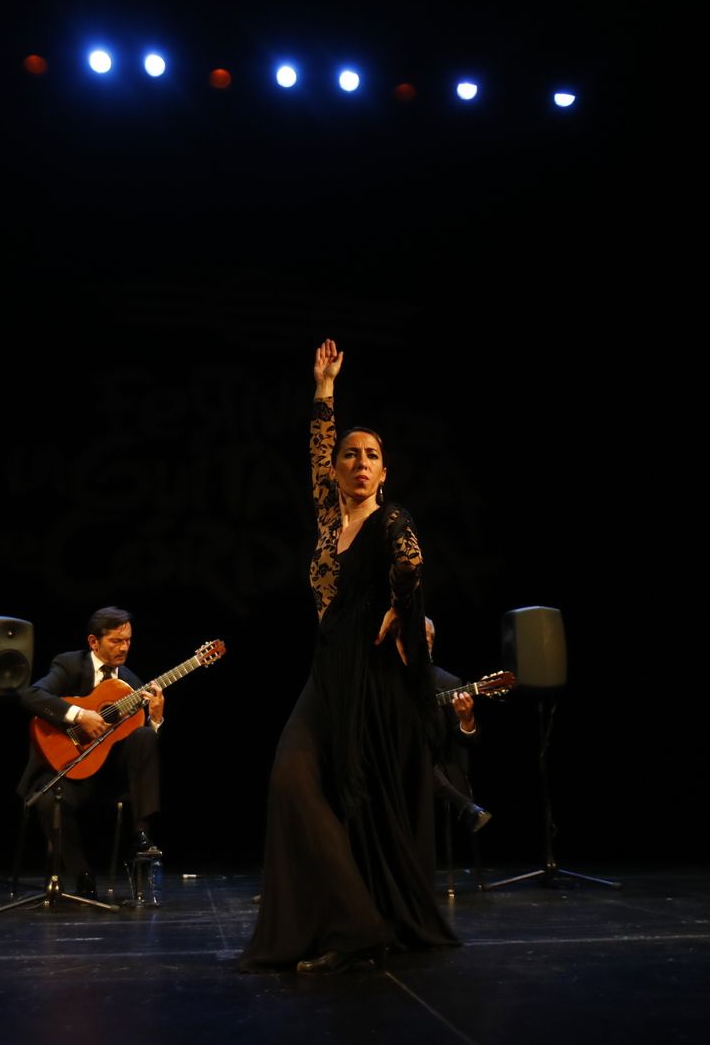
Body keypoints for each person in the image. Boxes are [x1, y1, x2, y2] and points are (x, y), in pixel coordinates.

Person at [240, 339, 458, 973]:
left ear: (384, 473)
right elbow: (316, 444)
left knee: (352, 796)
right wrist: (324, 387)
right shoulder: (328, 520)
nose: (360, 463)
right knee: (291, 779)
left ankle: (359, 927)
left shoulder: (391, 519)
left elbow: (412, 562)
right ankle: (356, 922)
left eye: (372, 456)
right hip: (327, 669)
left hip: (371, 675)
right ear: (334, 470)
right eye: (350, 455)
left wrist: (401, 607)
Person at [16, 606, 165, 898]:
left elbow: (142, 750)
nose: (124, 648)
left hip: (109, 775)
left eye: (128, 641)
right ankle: (82, 875)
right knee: (48, 802)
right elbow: (31, 695)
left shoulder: (131, 683)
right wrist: (80, 715)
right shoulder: (70, 665)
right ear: (94, 642)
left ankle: (142, 836)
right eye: (116, 641)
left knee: (146, 734)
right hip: (69, 769)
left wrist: (156, 720)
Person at [427, 617, 493, 833]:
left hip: (434, 767)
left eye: (429, 638)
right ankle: (466, 808)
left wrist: (467, 720)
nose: (425, 642)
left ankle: (465, 807)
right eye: (419, 636)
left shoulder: (447, 683)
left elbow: (468, 741)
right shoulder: (386, 680)